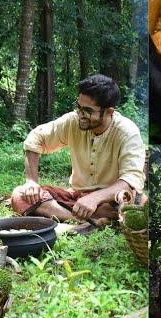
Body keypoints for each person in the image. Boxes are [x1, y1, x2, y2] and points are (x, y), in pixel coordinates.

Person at [10, 74, 146, 232]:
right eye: (79, 107)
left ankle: (82, 219)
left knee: (137, 204)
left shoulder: (128, 132)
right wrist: (31, 181)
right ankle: (83, 223)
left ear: (109, 112)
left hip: (110, 201)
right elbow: (35, 138)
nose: (81, 115)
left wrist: (95, 198)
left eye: (88, 111)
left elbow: (130, 181)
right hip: (77, 199)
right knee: (20, 195)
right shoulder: (73, 121)